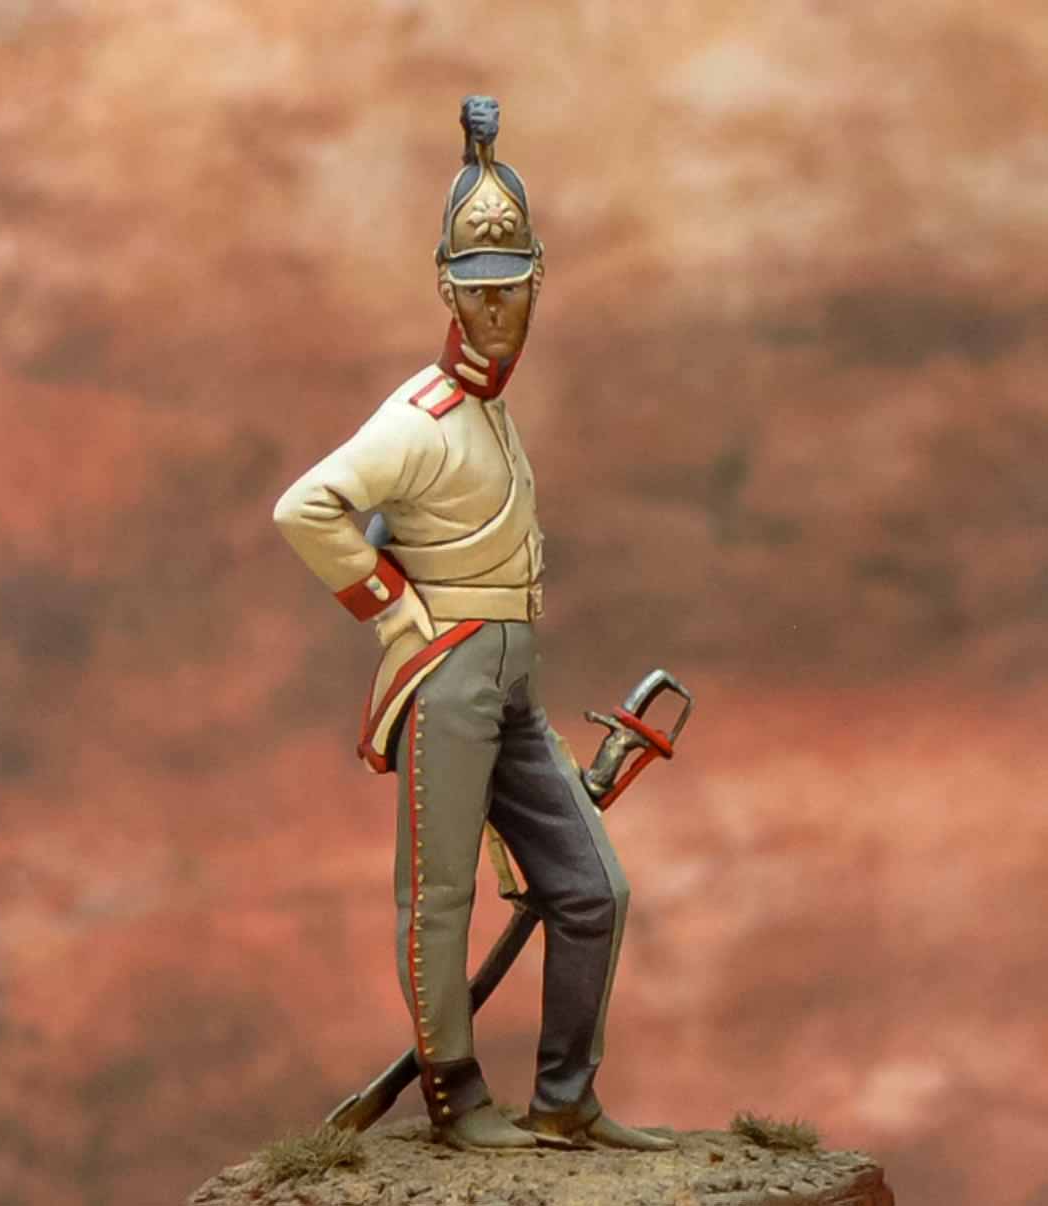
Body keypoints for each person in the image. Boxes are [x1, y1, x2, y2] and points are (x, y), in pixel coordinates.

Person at [273, 96, 675, 1153]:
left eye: (513, 288)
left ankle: (566, 1096)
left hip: (512, 682)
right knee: (441, 894)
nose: (498, 310)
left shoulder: (492, 412)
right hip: (449, 676)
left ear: (537, 284)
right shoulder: (421, 419)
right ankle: (456, 1099)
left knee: (591, 889)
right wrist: (390, 607)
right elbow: (305, 507)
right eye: (479, 290)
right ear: (446, 288)